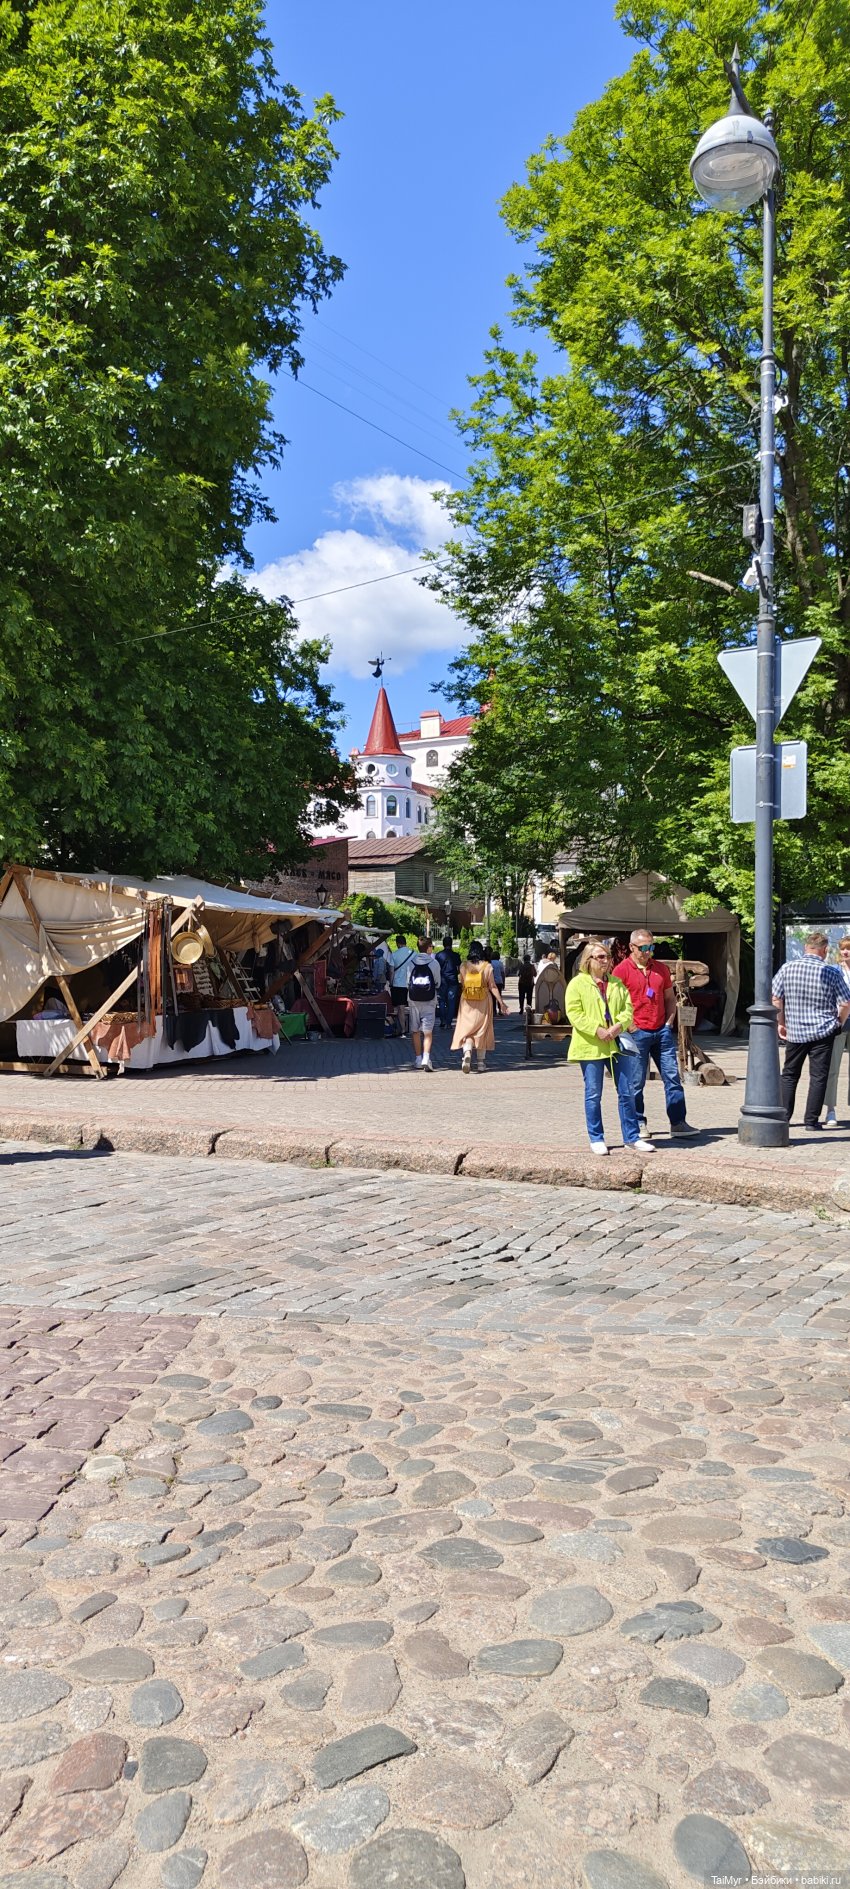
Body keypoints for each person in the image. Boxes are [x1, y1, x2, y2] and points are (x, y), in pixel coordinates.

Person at [565, 941, 655, 1156]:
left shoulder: (616, 983)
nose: (606, 961)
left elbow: (627, 1009)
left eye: (607, 956)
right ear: (589, 961)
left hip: (617, 1043)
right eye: (601, 957)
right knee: (593, 1093)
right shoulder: (577, 984)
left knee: (627, 1091)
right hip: (591, 1046)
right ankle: (596, 1138)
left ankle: (632, 1137)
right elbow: (574, 1013)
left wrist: (617, 1027)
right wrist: (597, 1030)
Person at [611, 929, 696, 1139]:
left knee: (673, 1077)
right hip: (636, 1032)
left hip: (661, 1031)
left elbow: (669, 997)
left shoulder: (660, 969)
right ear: (632, 947)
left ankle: (678, 1122)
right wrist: (630, 1027)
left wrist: (669, 1022)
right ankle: (639, 1123)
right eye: (643, 948)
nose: (648, 952)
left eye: (651, 947)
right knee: (636, 1082)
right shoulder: (621, 971)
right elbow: (614, 1004)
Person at [772, 931, 850, 1130]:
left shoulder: (787, 968)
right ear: (825, 950)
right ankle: (811, 1121)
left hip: (795, 1031)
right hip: (823, 1031)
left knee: (789, 1074)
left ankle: (785, 1117)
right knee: (818, 1077)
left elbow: (775, 998)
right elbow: (846, 1002)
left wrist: (781, 1022)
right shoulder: (832, 972)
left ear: (807, 947)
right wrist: (838, 1023)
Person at [451, 940, 507, 1072]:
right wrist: (501, 1002)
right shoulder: (487, 966)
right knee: (481, 1030)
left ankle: (467, 1052)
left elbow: (463, 984)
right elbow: (493, 986)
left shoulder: (463, 966)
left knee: (468, 1029)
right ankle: (481, 1063)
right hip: (483, 1001)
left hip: (467, 1001)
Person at [824, 936, 850, 1126]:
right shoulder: (834, 971)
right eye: (842, 949)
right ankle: (830, 1109)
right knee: (832, 1067)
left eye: (848, 949)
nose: (845, 952)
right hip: (839, 1021)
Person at [406, 936, 441, 1071]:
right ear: (428, 948)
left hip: (413, 999)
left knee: (415, 1031)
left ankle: (418, 1059)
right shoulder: (434, 963)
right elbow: (437, 982)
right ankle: (427, 1057)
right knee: (427, 1031)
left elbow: (407, 982)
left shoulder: (411, 962)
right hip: (429, 999)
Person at [389, 932, 415, 1036]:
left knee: (400, 1008)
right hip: (412, 984)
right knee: (414, 1007)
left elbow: (391, 971)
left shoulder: (394, 954)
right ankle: (414, 1027)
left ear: (398, 943)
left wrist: (391, 982)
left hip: (398, 984)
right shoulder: (414, 953)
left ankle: (403, 1029)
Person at [533, 946, 566, 1021]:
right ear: (553, 958)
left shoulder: (541, 962)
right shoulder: (552, 965)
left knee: (540, 999)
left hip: (538, 982)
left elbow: (538, 971)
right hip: (550, 981)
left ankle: (541, 1016)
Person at [436, 934, 461, 1030]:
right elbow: (458, 969)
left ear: (443, 944)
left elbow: (437, 968)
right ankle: (449, 1023)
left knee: (441, 1001)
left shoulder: (438, 955)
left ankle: (442, 1020)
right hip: (453, 980)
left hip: (442, 980)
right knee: (451, 1002)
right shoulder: (456, 955)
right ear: (451, 944)